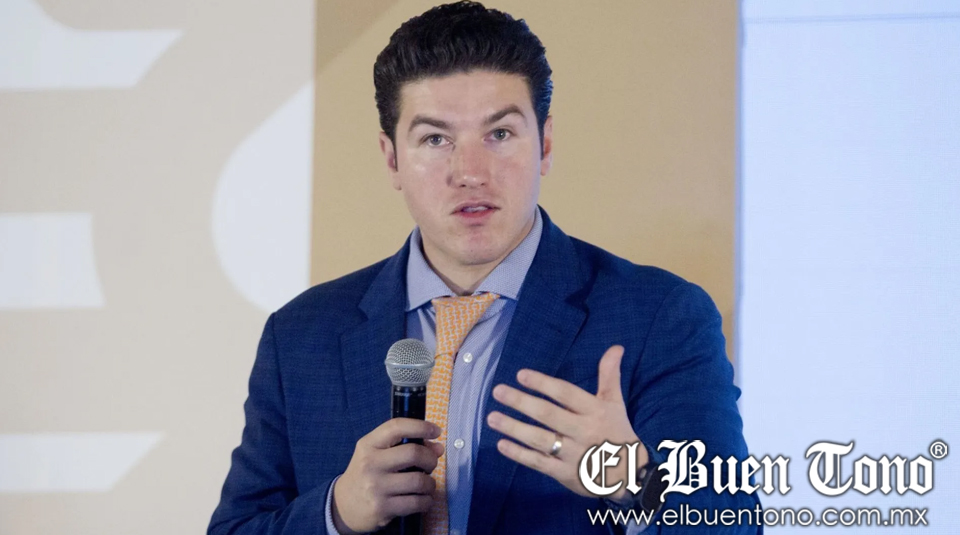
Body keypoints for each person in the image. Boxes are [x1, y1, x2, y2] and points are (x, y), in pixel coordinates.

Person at [209, 2, 760, 534]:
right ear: (391, 158)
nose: (470, 172)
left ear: (545, 144)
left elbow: (733, 523)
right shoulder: (300, 335)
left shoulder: (660, 316)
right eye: (435, 139)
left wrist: (633, 481)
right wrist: (337, 513)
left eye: (499, 134)